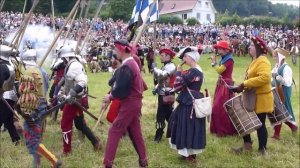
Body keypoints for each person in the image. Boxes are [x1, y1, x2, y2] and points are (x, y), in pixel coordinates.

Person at [102, 40, 148, 168]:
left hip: (130, 103)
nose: (115, 52)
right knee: (136, 132)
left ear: (121, 50)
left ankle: (107, 164)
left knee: (114, 131)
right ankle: (143, 161)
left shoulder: (128, 66)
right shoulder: (130, 64)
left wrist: (110, 96)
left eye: (116, 49)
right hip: (133, 103)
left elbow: (122, 88)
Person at [17, 49, 62, 167]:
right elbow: (46, 89)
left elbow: (26, 94)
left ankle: (53, 160)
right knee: (36, 138)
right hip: (43, 105)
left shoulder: (28, 73)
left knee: (32, 141)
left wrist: (26, 113)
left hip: (33, 108)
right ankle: (36, 166)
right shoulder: (42, 71)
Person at [231, 36, 274, 155]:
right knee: (244, 120)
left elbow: (265, 77)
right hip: (251, 96)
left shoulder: (263, 60)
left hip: (261, 97)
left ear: (258, 48)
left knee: (260, 124)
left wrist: (245, 83)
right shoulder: (255, 60)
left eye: (251, 45)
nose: (249, 47)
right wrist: (241, 86)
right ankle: (247, 145)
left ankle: (262, 150)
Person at [58, 45, 102, 155]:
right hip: (73, 99)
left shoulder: (75, 65)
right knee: (79, 124)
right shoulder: (71, 65)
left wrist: (71, 93)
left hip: (74, 100)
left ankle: (66, 151)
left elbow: (82, 82)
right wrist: (62, 91)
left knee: (65, 123)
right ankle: (96, 142)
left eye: (63, 58)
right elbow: (69, 81)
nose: (63, 61)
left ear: (67, 57)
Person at [167, 47, 206, 162]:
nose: (184, 59)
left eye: (185, 57)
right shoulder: (196, 70)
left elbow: (178, 84)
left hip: (189, 102)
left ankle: (189, 154)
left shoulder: (194, 71)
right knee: (189, 126)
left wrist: (179, 71)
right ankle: (187, 153)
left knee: (187, 126)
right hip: (191, 100)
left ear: (190, 57)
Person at [210, 41, 237, 137]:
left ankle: (225, 130)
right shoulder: (224, 58)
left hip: (225, 86)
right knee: (218, 107)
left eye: (220, 49)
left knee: (221, 107)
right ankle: (218, 130)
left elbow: (219, 70)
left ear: (226, 50)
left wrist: (214, 62)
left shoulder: (229, 59)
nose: (218, 50)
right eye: (218, 48)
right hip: (221, 85)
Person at [271, 48, 298, 140]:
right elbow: (272, 78)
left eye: (275, 56)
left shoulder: (286, 68)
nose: (274, 58)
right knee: (277, 110)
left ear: (280, 56)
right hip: (276, 91)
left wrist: (280, 79)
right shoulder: (276, 66)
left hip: (284, 91)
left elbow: (288, 82)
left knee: (284, 110)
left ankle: (292, 127)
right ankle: (277, 133)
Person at [152, 48, 176, 142]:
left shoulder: (171, 66)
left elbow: (163, 76)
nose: (160, 57)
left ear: (167, 56)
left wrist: (155, 68)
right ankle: (174, 131)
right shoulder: (165, 66)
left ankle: (159, 135)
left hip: (167, 93)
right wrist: (156, 88)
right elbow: (160, 81)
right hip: (163, 92)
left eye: (162, 55)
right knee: (168, 115)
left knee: (161, 115)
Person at [0, 44, 21, 145]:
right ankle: (16, 138)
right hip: (10, 95)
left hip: (4, 96)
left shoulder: (3, 67)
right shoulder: (10, 65)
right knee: (8, 120)